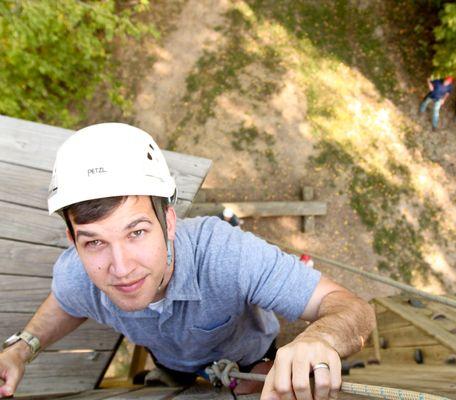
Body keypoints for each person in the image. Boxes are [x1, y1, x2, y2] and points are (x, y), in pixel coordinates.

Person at [0, 123, 375, 399]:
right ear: (73, 241)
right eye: (95, 241)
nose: (121, 267)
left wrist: (319, 340)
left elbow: (351, 309)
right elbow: (65, 301)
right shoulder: (76, 272)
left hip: (251, 358)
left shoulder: (228, 255)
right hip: (170, 363)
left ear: (169, 222)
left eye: (136, 232)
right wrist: (21, 349)